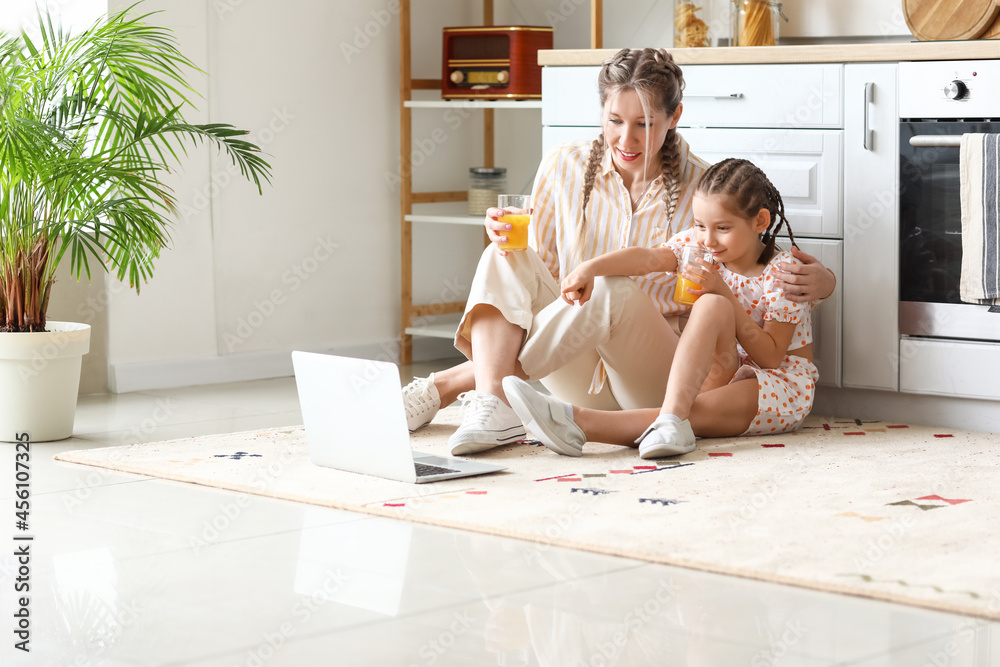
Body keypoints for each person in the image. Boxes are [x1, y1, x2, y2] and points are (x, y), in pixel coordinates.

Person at [402, 48, 835, 455]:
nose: (626, 139)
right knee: (503, 255)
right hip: (569, 360)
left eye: (645, 123)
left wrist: (826, 282)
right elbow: (534, 288)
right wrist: (504, 237)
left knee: (614, 289)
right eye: (614, 120)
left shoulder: (703, 191)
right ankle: (494, 403)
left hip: (652, 375)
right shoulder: (562, 165)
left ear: (674, 116)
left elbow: (752, 260)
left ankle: (456, 386)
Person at [502, 157, 818, 458]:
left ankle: (579, 422)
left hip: (773, 381)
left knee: (708, 331)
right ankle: (666, 420)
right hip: (720, 370)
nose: (708, 239)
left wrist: (723, 292)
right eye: (700, 225)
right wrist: (590, 268)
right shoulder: (700, 248)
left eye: (722, 228)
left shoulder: (782, 273)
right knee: (707, 319)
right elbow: (647, 259)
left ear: (759, 221)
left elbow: (772, 356)